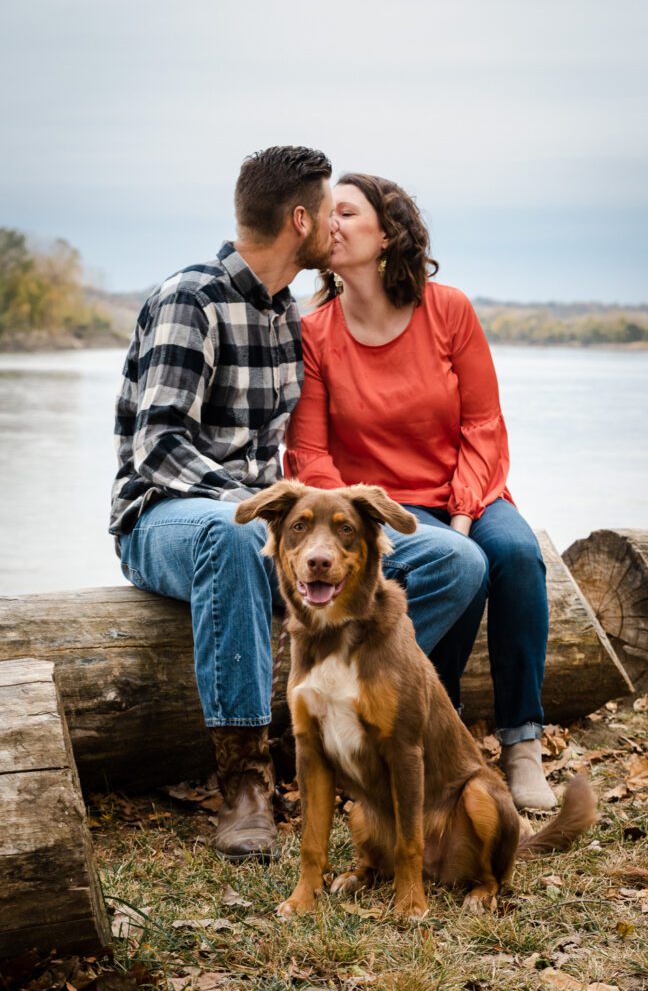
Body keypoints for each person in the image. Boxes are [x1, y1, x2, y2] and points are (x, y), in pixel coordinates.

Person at [109, 147, 487, 863]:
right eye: (328, 215)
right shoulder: (189, 300)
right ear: (301, 220)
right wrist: (259, 512)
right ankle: (247, 781)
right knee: (228, 538)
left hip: (265, 519)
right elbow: (155, 449)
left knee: (454, 560)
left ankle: (320, 720)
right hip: (164, 518)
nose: (335, 234)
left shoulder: (289, 316)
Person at [284, 172, 557, 811]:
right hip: (379, 510)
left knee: (514, 556)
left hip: (471, 489)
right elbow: (313, 456)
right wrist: (350, 515)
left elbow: (484, 422)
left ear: (387, 235)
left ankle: (522, 745)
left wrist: (463, 509)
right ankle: (439, 717)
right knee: (461, 565)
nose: (332, 224)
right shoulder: (314, 333)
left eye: (346, 213)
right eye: (329, 214)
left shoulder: (451, 309)